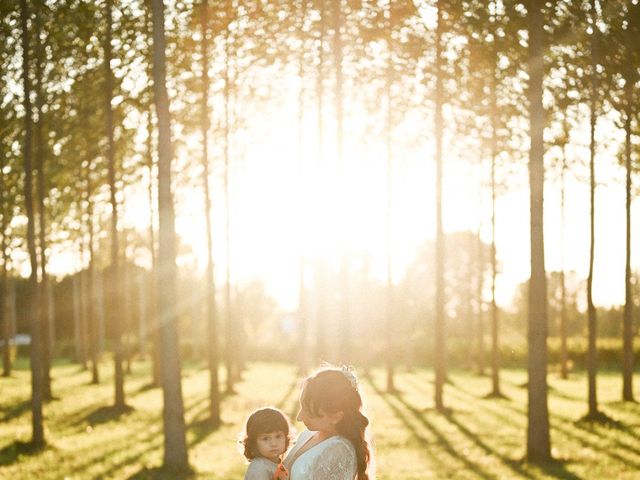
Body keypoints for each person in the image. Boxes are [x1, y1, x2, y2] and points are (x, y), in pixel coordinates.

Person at [283, 366, 372, 480]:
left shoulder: (339, 452)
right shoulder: (307, 435)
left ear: (336, 417)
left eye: (310, 413)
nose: (299, 418)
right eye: (302, 407)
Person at [241, 407, 292, 480]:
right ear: (254, 443)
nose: (274, 443)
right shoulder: (259, 468)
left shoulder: (278, 463)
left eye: (278, 436)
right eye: (265, 438)